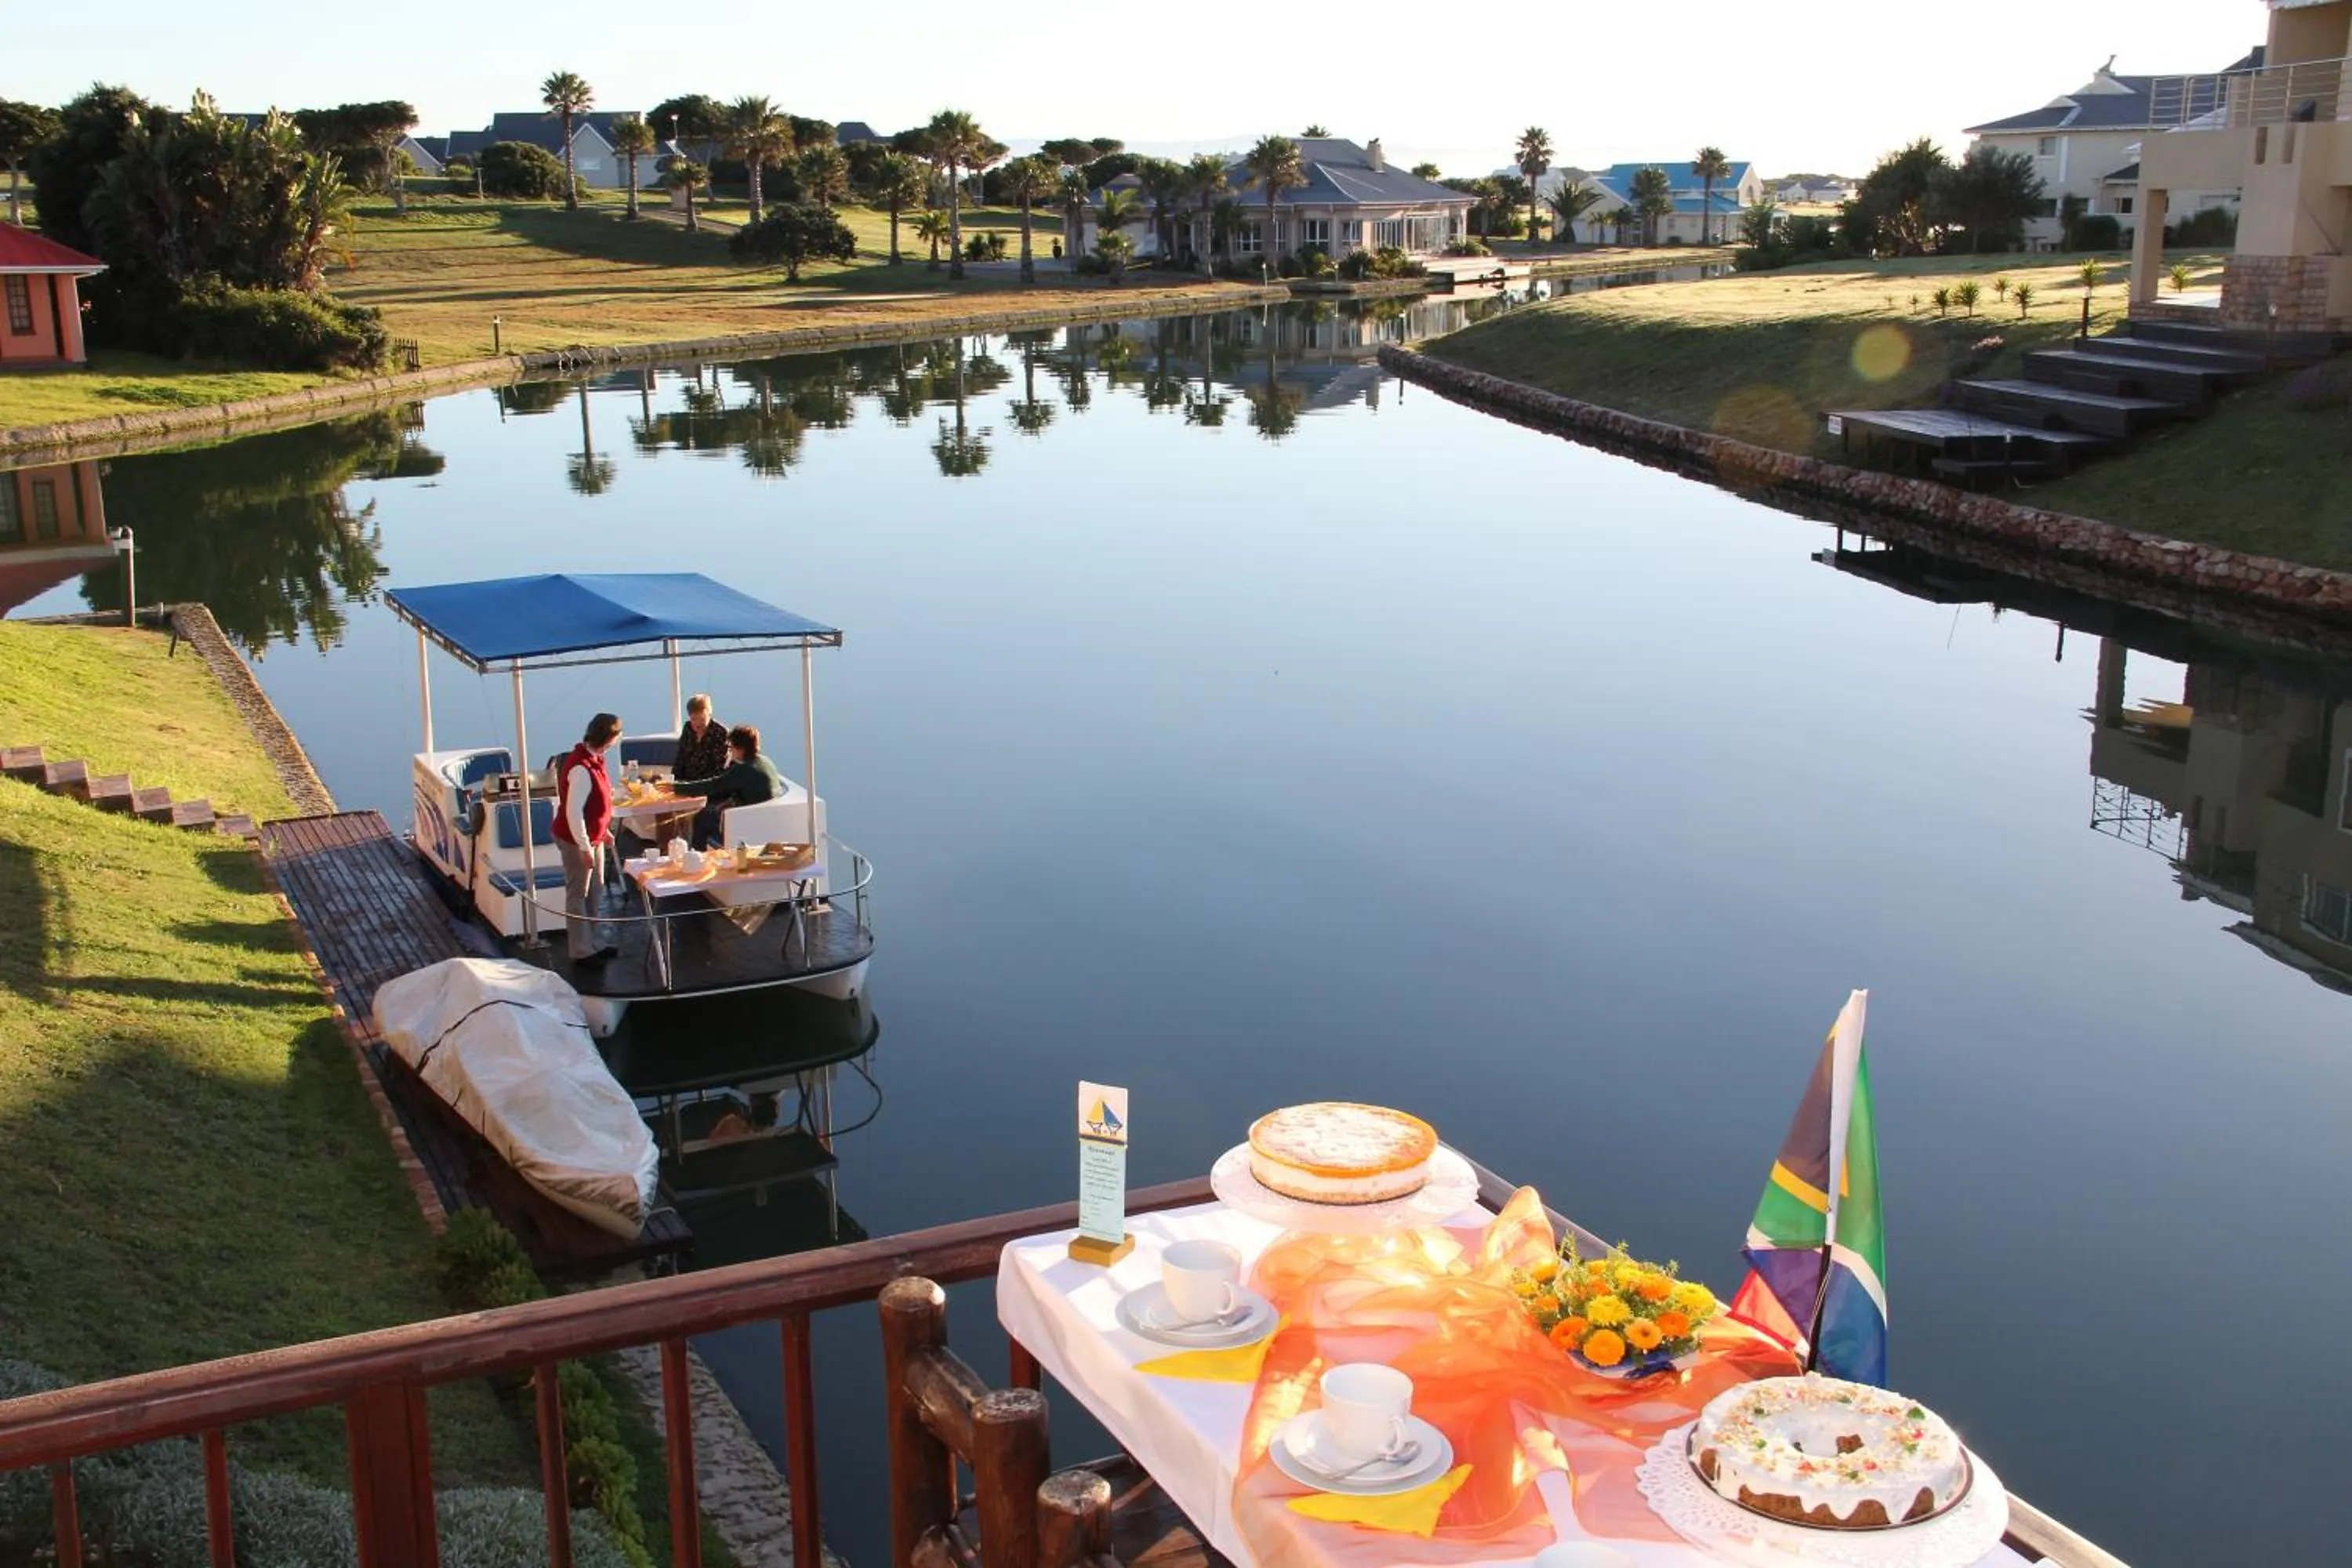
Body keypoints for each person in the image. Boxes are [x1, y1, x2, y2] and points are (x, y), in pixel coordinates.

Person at [554, 713, 622, 966]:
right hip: (576, 841)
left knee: (596, 890)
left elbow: (598, 805)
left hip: (593, 838)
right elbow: (574, 812)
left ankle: (595, 941)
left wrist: (604, 831)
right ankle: (581, 950)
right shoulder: (581, 768)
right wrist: (584, 847)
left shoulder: (595, 759)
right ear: (608, 738)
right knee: (578, 893)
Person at [670, 723, 784, 848]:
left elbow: (711, 785)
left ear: (740, 749)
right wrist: (731, 801)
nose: (730, 751)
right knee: (713, 809)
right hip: (767, 820)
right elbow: (750, 791)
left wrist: (675, 787)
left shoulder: (743, 769)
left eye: (731, 747)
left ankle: (698, 858)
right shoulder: (766, 762)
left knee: (701, 818)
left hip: (747, 823)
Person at [673, 692, 728, 782]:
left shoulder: (721, 733)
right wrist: (674, 783)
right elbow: (680, 759)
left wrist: (693, 787)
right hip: (684, 784)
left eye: (702, 719)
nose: (698, 724)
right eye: (694, 719)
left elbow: (718, 770)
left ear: (709, 714)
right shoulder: (688, 728)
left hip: (708, 787)